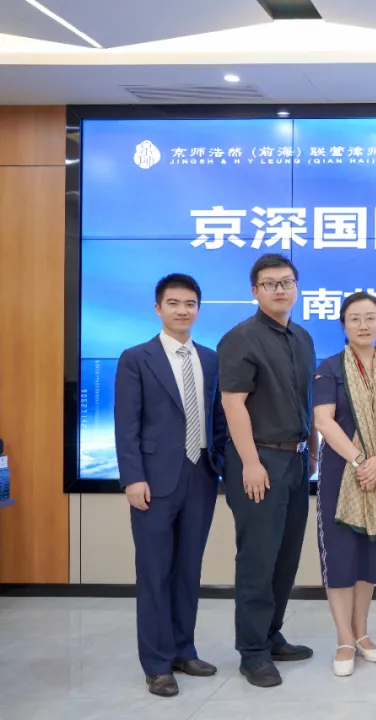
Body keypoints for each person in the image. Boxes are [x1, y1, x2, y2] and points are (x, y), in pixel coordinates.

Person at [114, 273, 226, 698]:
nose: (183, 310)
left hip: (200, 476)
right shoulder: (136, 358)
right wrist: (133, 477)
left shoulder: (210, 359)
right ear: (158, 308)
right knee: (154, 572)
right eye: (174, 303)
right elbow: (126, 424)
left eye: (190, 303)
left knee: (188, 569)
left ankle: (183, 650)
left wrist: (221, 466)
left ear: (198, 309)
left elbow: (218, 420)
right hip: (153, 481)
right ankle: (157, 664)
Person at [217, 253, 316, 688]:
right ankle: (252, 652)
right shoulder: (240, 338)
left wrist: (312, 448)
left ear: (296, 287)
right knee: (257, 558)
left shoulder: (302, 337)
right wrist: (251, 463)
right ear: (255, 291)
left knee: (286, 555)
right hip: (259, 459)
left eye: (287, 282)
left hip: (296, 459)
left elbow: (304, 399)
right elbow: (233, 403)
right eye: (270, 283)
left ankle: (272, 635)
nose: (280, 289)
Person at [313, 292, 376, 677]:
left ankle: (363, 633)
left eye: (370, 318)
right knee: (341, 557)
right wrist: (359, 461)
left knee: (369, 556)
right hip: (342, 474)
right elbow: (324, 421)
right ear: (343, 324)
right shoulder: (330, 367)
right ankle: (344, 639)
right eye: (355, 318)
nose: (363, 325)